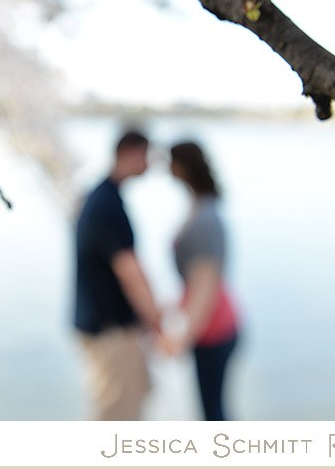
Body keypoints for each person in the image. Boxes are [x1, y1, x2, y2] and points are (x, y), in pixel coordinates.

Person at [73, 129, 166, 421]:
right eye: (146, 156)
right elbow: (130, 271)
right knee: (116, 417)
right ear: (131, 153)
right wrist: (156, 322)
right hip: (109, 331)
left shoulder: (102, 196)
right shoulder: (106, 204)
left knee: (130, 405)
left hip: (107, 326)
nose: (150, 165)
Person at [165, 141, 240, 421]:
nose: (165, 169)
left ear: (182, 167)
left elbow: (206, 286)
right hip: (211, 324)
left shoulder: (205, 217)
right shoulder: (201, 206)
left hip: (215, 327)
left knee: (213, 415)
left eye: (169, 162)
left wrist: (181, 340)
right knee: (212, 411)